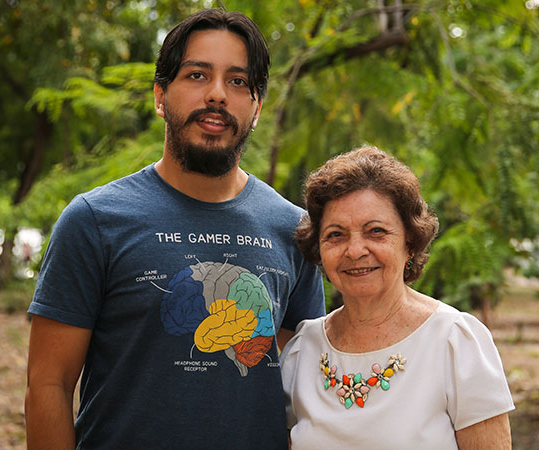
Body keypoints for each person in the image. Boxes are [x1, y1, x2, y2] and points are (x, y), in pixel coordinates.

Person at [24, 9, 325, 449]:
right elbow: (48, 384)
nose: (218, 94)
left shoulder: (293, 229)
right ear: (160, 96)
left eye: (238, 81)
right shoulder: (94, 220)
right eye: (197, 75)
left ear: (257, 107)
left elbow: (300, 387)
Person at [281, 146, 514, 449]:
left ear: (411, 242)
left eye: (375, 231)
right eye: (336, 235)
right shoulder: (302, 351)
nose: (355, 250)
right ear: (319, 250)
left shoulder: (455, 342)